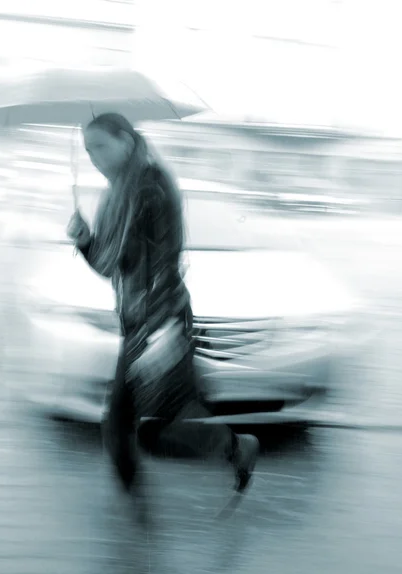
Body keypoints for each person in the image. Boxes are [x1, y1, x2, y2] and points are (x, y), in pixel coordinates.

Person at [67, 112, 259, 523]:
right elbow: (110, 267)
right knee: (131, 427)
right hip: (140, 325)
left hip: (159, 324)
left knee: (143, 431)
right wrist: (85, 241)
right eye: (87, 151)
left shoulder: (150, 188)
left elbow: (163, 266)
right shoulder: (118, 192)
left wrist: (160, 336)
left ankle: (229, 452)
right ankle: (138, 515)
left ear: (126, 140)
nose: (94, 158)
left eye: (100, 146)